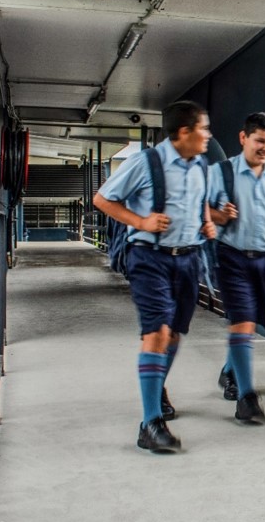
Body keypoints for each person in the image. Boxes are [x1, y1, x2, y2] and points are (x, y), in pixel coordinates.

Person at [92, 101, 216, 453]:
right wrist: (141, 222)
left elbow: (200, 198)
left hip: (189, 260)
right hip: (150, 258)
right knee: (157, 332)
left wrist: (205, 220)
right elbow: (102, 199)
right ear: (184, 133)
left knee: (174, 334)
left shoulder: (200, 165)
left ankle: (156, 387)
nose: (208, 136)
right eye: (203, 129)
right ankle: (150, 424)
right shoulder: (144, 163)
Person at [209, 111, 265, 423]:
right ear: (243, 138)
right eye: (260, 140)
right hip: (232, 256)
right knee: (243, 322)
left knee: (252, 322)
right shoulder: (220, 173)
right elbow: (200, 208)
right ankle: (247, 398)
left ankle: (229, 370)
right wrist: (219, 215)